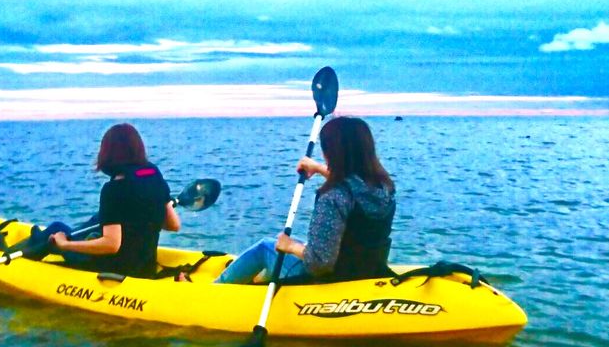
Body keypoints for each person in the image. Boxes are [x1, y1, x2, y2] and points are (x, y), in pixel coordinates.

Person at [215, 116, 395, 284]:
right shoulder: (383, 188)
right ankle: (259, 284)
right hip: (364, 270)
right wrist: (317, 167)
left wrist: (291, 246)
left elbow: (319, 263)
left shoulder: (331, 198)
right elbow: (353, 185)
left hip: (329, 279)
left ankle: (217, 288)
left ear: (331, 153)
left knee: (265, 247)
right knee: (296, 243)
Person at [47, 122, 181, 278]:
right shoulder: (153, 174)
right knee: (94, 220)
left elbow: (111, 245)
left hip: (114, 271)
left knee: (56, 228)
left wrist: (65, 244)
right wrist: (145, 214)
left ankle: (25, 259)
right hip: (145, 268)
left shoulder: (113, 189)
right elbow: (173, 225)